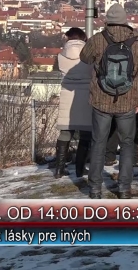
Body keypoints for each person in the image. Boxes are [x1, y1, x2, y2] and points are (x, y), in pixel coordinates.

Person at [80, 3, 138, 199]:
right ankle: (124, 188)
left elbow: (84, 58)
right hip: (128, 102)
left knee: (98, 143)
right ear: (125, 21)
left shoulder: (97, 40)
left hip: (101, 100)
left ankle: (95, 188)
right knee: (127, 144)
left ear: (107, 20)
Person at [54, 28, 92, 179]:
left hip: (67, 94)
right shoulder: (90, 54)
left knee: (65, 133)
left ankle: (59, 169)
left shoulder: (61, 55)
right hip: (86, 95)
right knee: (85, 135)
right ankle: (80, 168)